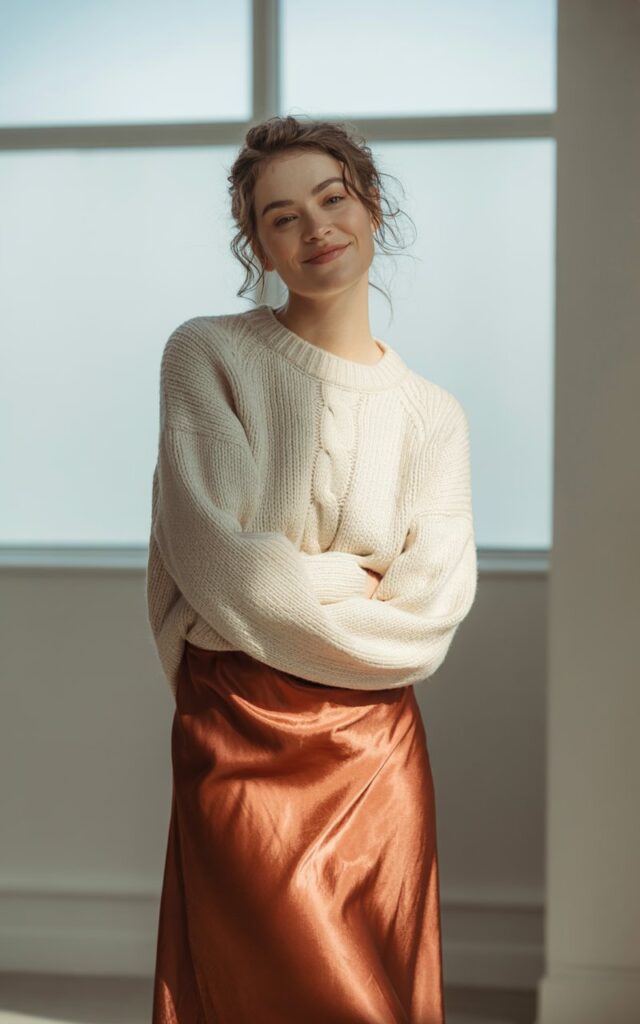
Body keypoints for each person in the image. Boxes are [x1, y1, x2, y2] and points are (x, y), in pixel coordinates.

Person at [147, 114, 478, 1024]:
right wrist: (351, 579)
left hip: (376, 746)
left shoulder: (434, 416)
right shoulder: (207, 353)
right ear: (256, 245)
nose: (315, 228)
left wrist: (286, 576)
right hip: (238, 721)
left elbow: (429, 615)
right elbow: (218, 565)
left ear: (373, 209)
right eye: (281, 216)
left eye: (333, 199)